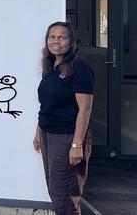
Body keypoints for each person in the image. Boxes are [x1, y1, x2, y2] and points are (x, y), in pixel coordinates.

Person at [34, 21, 94, 215]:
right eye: (52, 37)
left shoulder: (79, 68)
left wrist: (77, 145)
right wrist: (38, 132)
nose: (56, 41)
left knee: (64, 192)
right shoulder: (51, 67)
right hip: (48, 133)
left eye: (62, 37)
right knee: (54, 188)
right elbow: (47, 104)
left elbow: (84, 109)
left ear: (71, 42)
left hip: (67, 136)